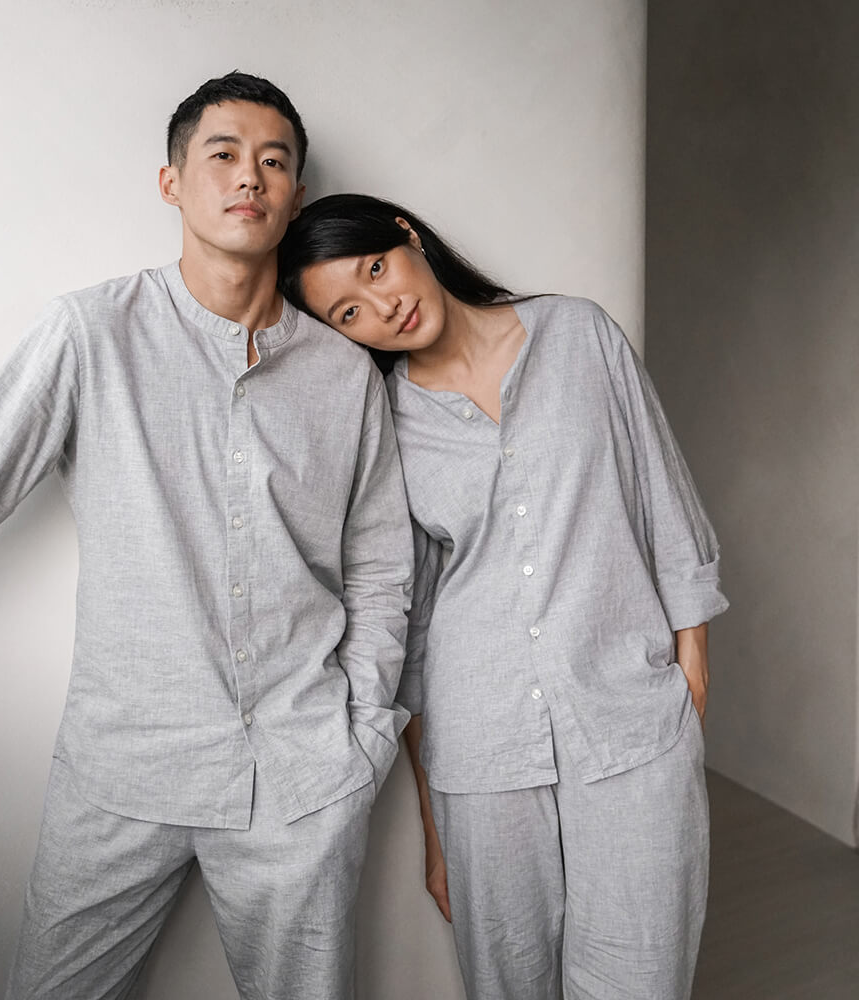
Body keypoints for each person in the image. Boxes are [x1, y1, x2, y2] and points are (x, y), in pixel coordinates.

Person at [0, 79, 413, 1000]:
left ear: (296, 198)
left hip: (299, 777)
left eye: (274, 161)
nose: (250, 177)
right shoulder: (91, 334)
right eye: (224, 155)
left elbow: (382, 569)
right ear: (172, 183)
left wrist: (358, 735)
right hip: (122, 771)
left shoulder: (346, 373)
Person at [278, 193, 730, 1000]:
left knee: (642, 977)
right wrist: (435, 825)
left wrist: (690, 669)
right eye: (349, 313)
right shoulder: (386, 423)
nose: (383, 307)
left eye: (376, 269)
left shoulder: (578, 334)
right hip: (480, 752)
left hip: (630, 723)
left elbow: (664, 500)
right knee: (510, 983)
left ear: (408, 237)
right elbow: (413, 630)